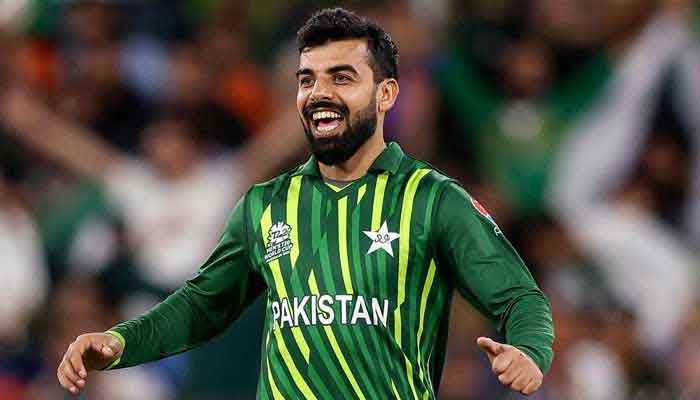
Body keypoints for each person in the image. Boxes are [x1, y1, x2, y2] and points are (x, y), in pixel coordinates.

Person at [56, 8, 554, 398]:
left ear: (385, 94)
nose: (319, 93)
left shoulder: (432, 199)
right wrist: (122, 342)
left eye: (342, 77)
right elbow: (201, 307)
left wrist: (530, 349)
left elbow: (520, 297)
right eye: (307, 79)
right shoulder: (265, 204)